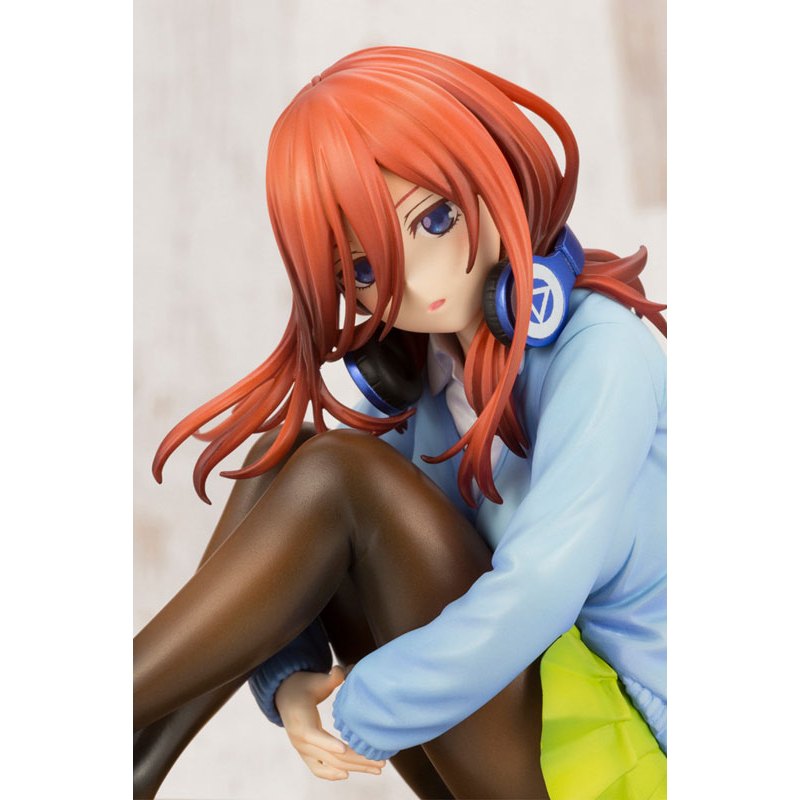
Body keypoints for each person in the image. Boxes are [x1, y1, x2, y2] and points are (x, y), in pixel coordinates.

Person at [134, 46, 667, 800]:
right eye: (364, 269)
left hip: (627, 748)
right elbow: (301, 527)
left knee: (338, 472)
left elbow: (541, 588)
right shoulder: (436, 376)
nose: (417, 279)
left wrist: (363, 707)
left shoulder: (602, 351)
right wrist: (290, 677)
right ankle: (134, 768)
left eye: (436, 218)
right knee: (293, 454)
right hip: (524, 723)